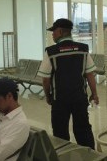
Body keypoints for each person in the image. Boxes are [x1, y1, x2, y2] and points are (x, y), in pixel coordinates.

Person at [38, 18, 98, 149]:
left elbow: (45, 79)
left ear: (59, 31)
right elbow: (89, 75)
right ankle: (90, 157)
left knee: (60, 133)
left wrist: (48, 96)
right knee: (83, 130)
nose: (52, 34)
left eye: (53, 31)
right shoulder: (83, 49)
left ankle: (64, 156)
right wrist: (94, 94)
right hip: (79, 98)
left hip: (59, 100)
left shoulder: (51, 52)